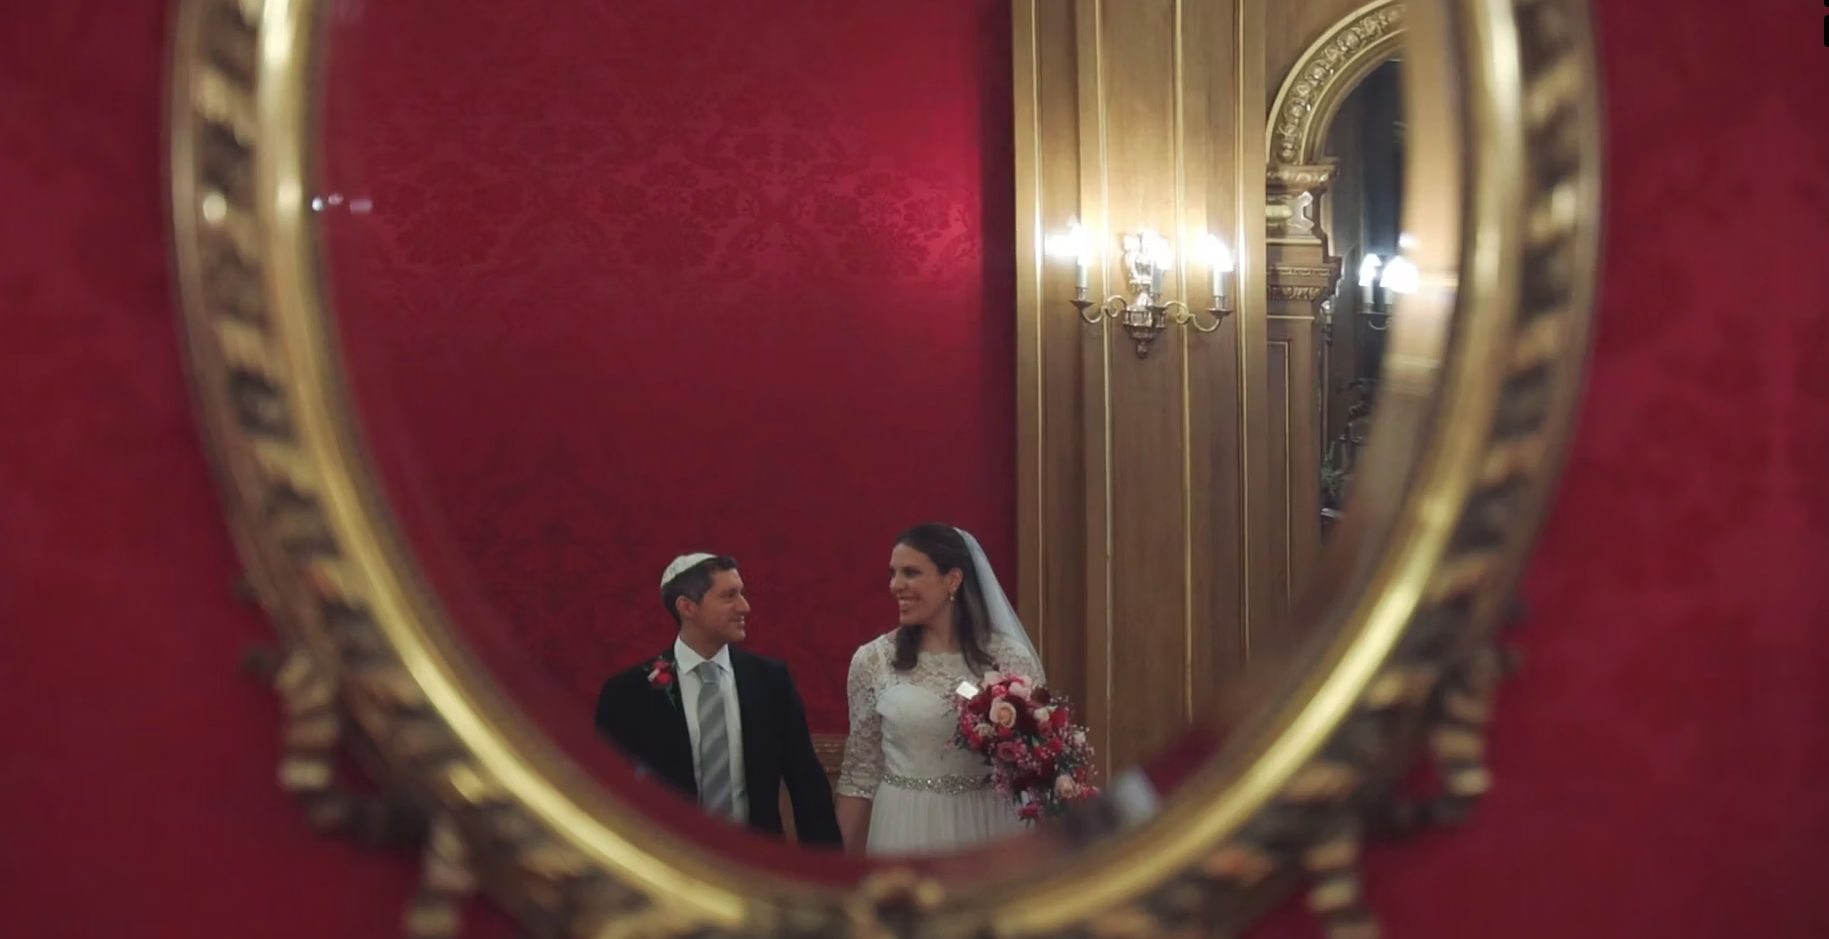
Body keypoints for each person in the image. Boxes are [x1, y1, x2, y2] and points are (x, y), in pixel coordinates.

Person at [594, 553, 842, 847]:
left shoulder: (770, 680)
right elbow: (607, 792)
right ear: (687, 607)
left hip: (754, 859)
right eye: (729, 596)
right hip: (667, 858)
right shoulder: (630, 692)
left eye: (742, 594)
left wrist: (824, 863)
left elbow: (806, 784)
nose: (745, 607)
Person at [834, 524, 1044, 855]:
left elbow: (1035, 761)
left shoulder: (1009, 658)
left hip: (987, 828)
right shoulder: (873, 660)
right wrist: (834, 863)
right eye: (893, 574)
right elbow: (860, 774)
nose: (896, 585)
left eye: (911, 572)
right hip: (906, 827)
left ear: (953, 580)